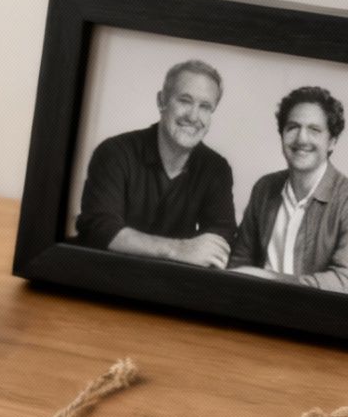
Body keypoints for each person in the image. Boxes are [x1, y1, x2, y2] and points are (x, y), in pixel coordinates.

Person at [74, 59, 238, 267]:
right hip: (103, 272)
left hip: (169, 281)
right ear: (162, 101)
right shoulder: (115, 152)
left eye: (205, 106)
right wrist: (179, 249)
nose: (193, 116)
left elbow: (221, 235)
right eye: (185, 100)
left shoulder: (216, 168)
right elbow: (101, 229)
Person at [228, 85, 348, 295]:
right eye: (292, 127)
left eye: (314, 130)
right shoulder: (264, 188)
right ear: (282, 134)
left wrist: (271, 279)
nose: (302, 139)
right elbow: (239, 263)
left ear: (332, 142)